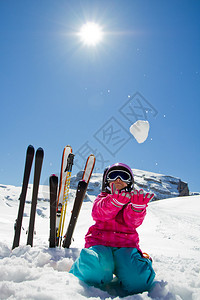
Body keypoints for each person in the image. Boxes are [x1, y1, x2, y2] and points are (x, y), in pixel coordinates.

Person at [69, 163, 156, 295]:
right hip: (100, 244)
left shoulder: (133, 202)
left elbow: (132, 222)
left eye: (123, 176)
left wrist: (136, 209)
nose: (118, 179)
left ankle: (138, 265)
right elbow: (99, 213)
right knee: (93, 269)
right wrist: (114, 202)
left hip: (126, 247)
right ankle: (84, 267)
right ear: (107, 182)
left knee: (138, 281)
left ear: (130, 183)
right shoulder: (102, 199)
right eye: (113, 176)